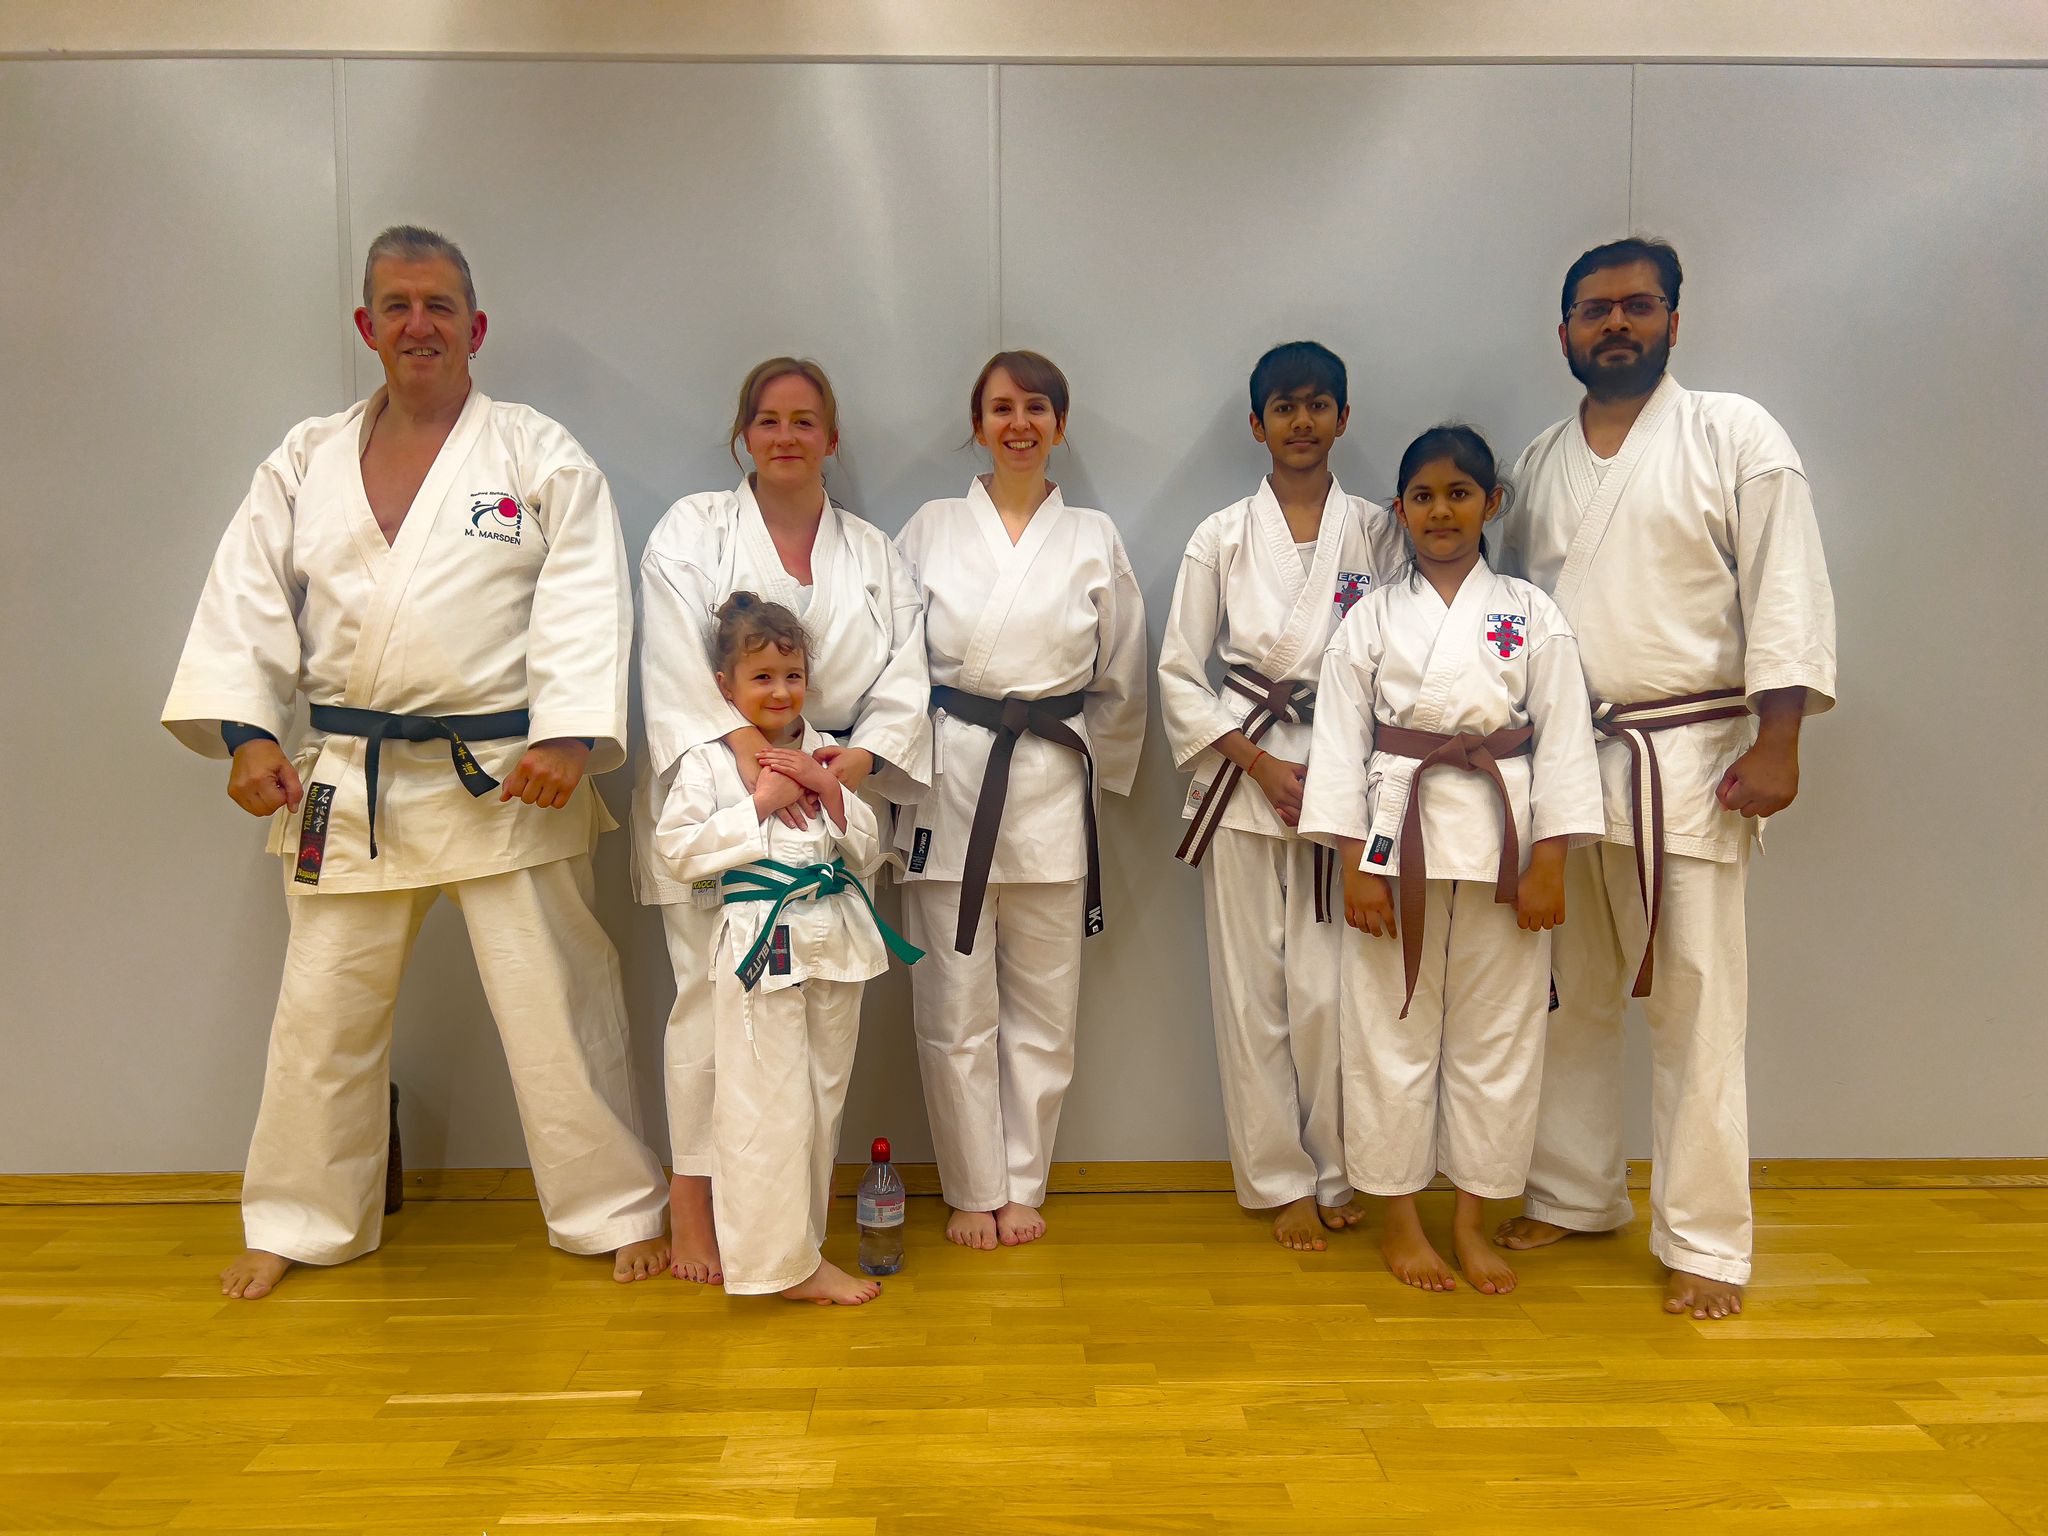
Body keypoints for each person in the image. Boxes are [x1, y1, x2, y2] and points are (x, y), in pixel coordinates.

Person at [161, 225, 669, 1299]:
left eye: (438, 305)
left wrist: (570, 734)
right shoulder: (303, 459)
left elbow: (586, 596)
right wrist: (249, 733)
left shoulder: (536, 454)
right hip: (350, 776)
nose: (418, 324)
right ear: (366, 326)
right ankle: (302, 1219)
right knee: (322, 1013)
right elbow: (247, 599)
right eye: (396, 305)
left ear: (474, 327)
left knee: (557, 1007)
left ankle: (613, 1206)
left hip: (508, 774)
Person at [1495, 237, 1837, 1319]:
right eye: (1593, 311)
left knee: (1694, 1004)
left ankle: (1704, 1240)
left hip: (1690, 760)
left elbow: (1782, 590)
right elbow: (1514, 622)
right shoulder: (1540, 458)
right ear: (1561, 333)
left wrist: (1778, 738)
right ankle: (1573, 1189)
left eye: (1636, 307)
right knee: (1568, 994)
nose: (1615, 326)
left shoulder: (1734, 434)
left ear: (1673, 321)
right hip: (1564, 760)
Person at [632, 358, 930, 1285]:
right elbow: (677, 666)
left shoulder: (875, 553)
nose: (787, 436)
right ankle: (694, 1212)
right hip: (721, 789)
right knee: (703, 1013)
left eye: (806, 421)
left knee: (805, 1054)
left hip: (826, 788)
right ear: (744, 435)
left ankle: (782, 1234)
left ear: (832, 438)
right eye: (768, 420)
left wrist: (840, 766)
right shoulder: (692, 530)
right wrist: (756, 765)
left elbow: (909, 682)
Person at [1300, 426, 1604, 1293]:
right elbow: (1341, 744)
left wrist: (1552, 858)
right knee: (1387, 1032)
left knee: (1498, 1040)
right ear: (1400, 509)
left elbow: (1566, 741)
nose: (1441, 510)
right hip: (1398, 843)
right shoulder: (1369, 620)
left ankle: (1473, 1219)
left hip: (1505, 845)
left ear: (1491, 504)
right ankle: (1399, 1217)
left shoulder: (1529, 613)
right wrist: (1355, 860)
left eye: (1460, 493)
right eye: (1424, 496)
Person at [893, 351, 1148, 1250]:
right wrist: (894, 782)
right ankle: (971, 1186)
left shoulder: (1094, 537)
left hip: (1046, 780)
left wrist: (1099, 775)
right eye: (1000, 407)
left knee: (1045, 1007)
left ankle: (1022, 1180)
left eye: (1037, 407)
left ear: (1060, 425)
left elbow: (1120, 678)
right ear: (976, 423)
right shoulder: (926, 528)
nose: (1019, 423)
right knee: (953, 1003)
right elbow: (894, 664)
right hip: (947, 778)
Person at [1157, 341, 1406, 1252]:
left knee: (1331, 992)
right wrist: (1261, 767)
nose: (1303, 422)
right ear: (1256, 425)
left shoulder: (1379, 531)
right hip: (1243, 772)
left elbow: (1400, 655)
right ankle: (1278, 1181)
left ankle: (1339, 1168)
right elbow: (1180, 672)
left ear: (1344, 417)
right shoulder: (1220, 535)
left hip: (1343, 778)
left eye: (1319, 405)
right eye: (1285, 408)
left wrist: (1341, 775)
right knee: (1249, 991)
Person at [653, 594, 921, 1305]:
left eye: (793, 675)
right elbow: (676, 851)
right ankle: (777, 1267)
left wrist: (829, 787)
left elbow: (869, 847)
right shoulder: (711, 764)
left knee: (821, 1104)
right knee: (763, 1108)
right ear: (725, 688)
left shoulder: (826, 751)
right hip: (761, 948)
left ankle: (801, 1254)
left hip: (836, 944)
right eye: (762, 677)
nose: (780, 691)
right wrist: (761, 804)